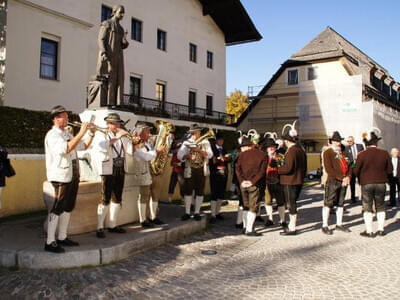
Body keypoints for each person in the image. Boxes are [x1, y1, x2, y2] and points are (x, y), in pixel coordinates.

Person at [44, 105, 95, 253]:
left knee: (68, 206)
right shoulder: (52, 135)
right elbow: (65, 149)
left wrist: (90, 134)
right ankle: (49, 241)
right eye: (63, 116)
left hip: (72, 174)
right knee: (58, 207)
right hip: (60, 175)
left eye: (66, 116)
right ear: (55, 119)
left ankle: (62, 237)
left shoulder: (66, 134)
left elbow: (82, 146)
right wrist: (82, 131)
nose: (67, 119)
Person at [94, 113, 133, 238]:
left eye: (118, 123)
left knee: (117, 197)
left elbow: (130, 151)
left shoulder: (122, 136)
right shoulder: (102, 134)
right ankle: (99, 227)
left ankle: (112, 225)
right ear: (108, 124)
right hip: (108, 169)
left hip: (120, 167)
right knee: (105, 197)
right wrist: (118, 137)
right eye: (114, 123)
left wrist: (135, 142)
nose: (117, 126)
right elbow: (102, 147)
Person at [353, 130, 392, 237]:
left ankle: (369, 231)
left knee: (367, 207)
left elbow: (355, 171)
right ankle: (381, 229)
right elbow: (390, 170)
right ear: (376, 143)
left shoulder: (362, 155)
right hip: (381, 183)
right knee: (380, 206)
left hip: (366, 183)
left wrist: (361, 178)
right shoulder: (384, 153)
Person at [178, 124, 213, 221]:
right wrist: (187, 156)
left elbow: (210, 155)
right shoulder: (186, 142)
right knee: (188, 191)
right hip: (190, 169)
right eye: (197, 132)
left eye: (198, 132)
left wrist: (199, 150)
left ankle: (197, 212)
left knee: (200, 191)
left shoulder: (205, 142)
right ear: (192, 133)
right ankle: (187, 212)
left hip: (201, 169)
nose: (198, 133)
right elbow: (179, 155)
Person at [96, 5, 129, 105]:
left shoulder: (121, 29)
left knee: (119, 78)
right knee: (110, 78)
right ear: (114, 12)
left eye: (123, 13)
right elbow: (100, 39)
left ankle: (117, 102)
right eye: (121, 12)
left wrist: (125, 41)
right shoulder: (107, 24)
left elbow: (122, 45)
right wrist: (104, 52)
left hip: (118, 57)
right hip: (109, 55)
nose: (122, 15)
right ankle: (108, 102)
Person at [134, 122, 165, 228]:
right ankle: (143, 220)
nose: (150, 133)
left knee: (154, 195)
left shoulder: (147, 143)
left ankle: (153, 217)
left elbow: (151, 154)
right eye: (147, 131)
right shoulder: (139, 144)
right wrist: (156, 151)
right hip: (143, 173)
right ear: (141, 133)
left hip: (151, 171)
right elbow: (146, 156)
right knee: (144, 196)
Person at [278, 122, 307, 236]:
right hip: (298, 180)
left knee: (291, 204)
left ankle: (292, 227)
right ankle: (291, 225)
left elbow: (288, 168)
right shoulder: (301, 149)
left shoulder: (291, 151)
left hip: (290, 181)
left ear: (286, 141)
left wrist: (278, 169)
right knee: (293, 203)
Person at [236, 136, 267, 236]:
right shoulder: (262, 155)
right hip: (255, 184)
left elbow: (237, 169)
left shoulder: (240, 155)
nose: (242, 149)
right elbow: (262, 172)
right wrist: (252, 181)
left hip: (243, 184)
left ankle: (245, 227)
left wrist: (242, 181)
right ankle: (249, 230)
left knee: (245, 206)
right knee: (253, 207)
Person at [321, 132, 351, 235]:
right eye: (336, 141)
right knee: (328, 202)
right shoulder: (328, 152)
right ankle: (325, 225)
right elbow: (329, 169)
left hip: (343, 181)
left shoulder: (344, 152)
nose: (338, 143)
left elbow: (350, 166)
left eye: (339, 141)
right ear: (332, 141)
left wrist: (348, 177)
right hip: (333, 180)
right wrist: (341, 177)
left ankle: (339, 224)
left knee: (341, 203)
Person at [263, 138, 286, 227]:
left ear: (275, 147)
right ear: (267, 148)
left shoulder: (280, 156)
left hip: (278, 182)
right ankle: (270, 219)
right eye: (269, 147)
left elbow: (284, 168)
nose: (271, 148)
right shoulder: (264, 157)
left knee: (280, 202)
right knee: (268, 201)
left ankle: (282, 220)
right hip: (267, 182)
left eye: (273, 147)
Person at [209, 132, 230, 224]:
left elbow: (227, 160)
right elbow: (211, 161)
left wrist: (227, 158)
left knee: (221, 193)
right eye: (219, 140)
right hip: (215, 174)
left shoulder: (224, 149)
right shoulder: (212, 149)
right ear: (216, 141)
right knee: (214, 193)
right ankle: (213, 214)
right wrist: (219, 159)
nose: (221, 141)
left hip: (223, 173)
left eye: (222, 140)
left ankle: (217, 212)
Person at [345, 136, 364, 203]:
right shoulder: (346, 148)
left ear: (353, 140)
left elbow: (363, 154)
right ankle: (353, 198)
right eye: (348, 141)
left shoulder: (360, 146)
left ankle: (363, 197)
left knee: (361, 182)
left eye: (350, 141)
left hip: (360, 167)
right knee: (352, 183)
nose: (349, 142)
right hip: (352, 167)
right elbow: (346, 157)